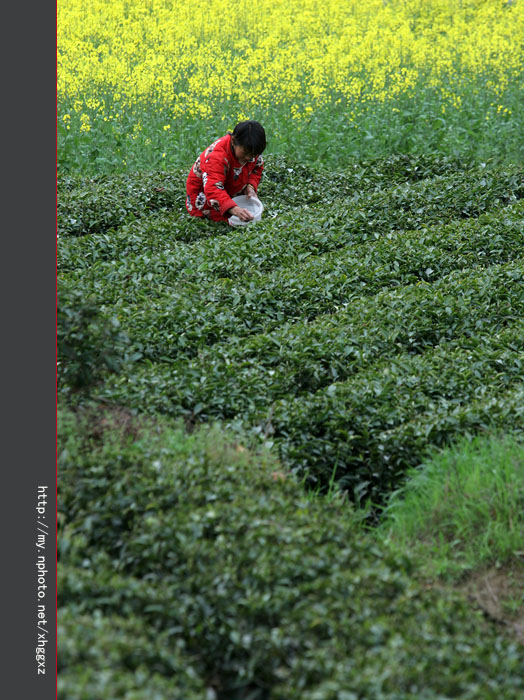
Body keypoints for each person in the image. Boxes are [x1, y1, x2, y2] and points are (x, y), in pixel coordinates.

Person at [186, 120, 266, 223]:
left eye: (253, 155)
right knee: (225, 219)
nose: (248, 157)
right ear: (233, 141)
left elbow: (257, 167)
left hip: (230, 186)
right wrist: (235, 210)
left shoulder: (252, 150)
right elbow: (213, 189)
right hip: (204, 195)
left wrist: (250, 187)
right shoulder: (216, 157)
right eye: (245, 153)